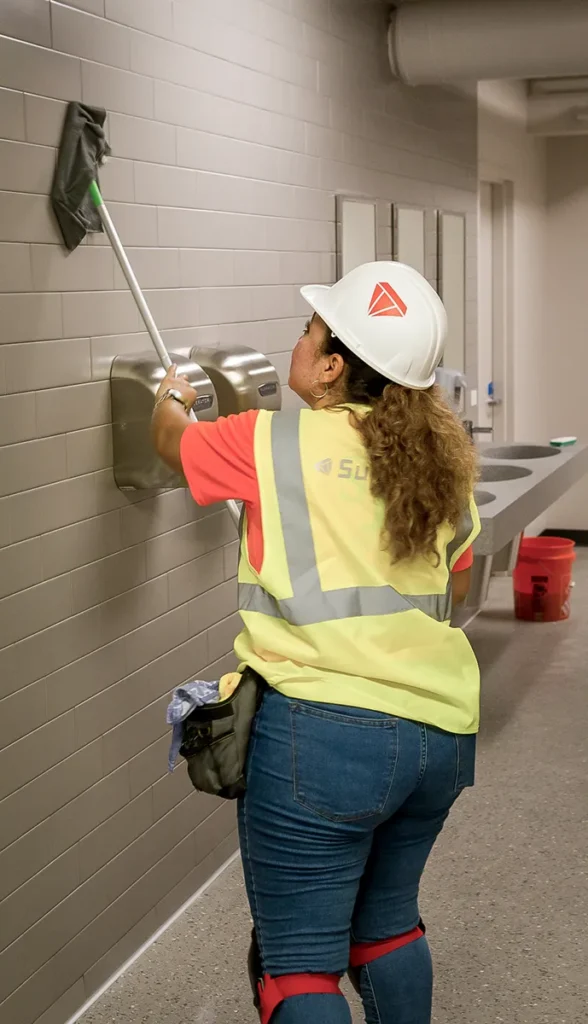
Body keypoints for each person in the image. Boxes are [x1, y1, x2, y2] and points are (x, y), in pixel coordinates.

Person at [152, 262, 480, 1024]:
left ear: (332, 367)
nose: (297, 342)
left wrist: (172, 395)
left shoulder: (270, 441)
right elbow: (454, 589)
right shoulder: (443, 463)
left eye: (309, 332)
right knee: (388, 926)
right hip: (440, 736)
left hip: (322, 745)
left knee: (298, 970)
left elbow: (171, 443)